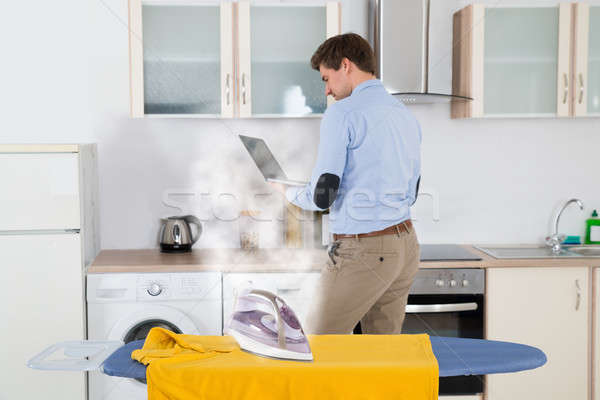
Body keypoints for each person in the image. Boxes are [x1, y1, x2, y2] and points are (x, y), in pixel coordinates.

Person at [269, 33, 421, 334]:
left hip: (365, 249)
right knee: (380, 355)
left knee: (313, 341)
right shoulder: (404, 114)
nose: (327, 90)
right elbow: (412, 190)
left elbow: (323, 196)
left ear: (346, 65)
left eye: (327, 78)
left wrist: (287, 191)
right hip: (405, 246)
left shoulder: (342, 113)